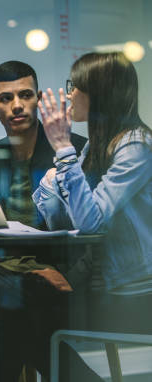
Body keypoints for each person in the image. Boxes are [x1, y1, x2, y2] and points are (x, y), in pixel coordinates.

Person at [0, 61, 88, 381]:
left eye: (25, 95)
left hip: (59, 278)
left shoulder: (71, 148)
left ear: (39, 98)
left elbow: (95, 223)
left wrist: (69, 273)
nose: (16, 105)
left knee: (15, 315)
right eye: (5, 98)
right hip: (2, 279)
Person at [34, 51, 152, 381]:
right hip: (103, 282)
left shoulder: (136, 146)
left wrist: (61, 147)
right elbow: (63, 223)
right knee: (19, 314)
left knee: (30, 323)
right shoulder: (96, 145)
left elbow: (89, 222)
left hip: (136, 293)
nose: (69, 94)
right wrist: (54, 179)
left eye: (76, 86)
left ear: (99, 93)